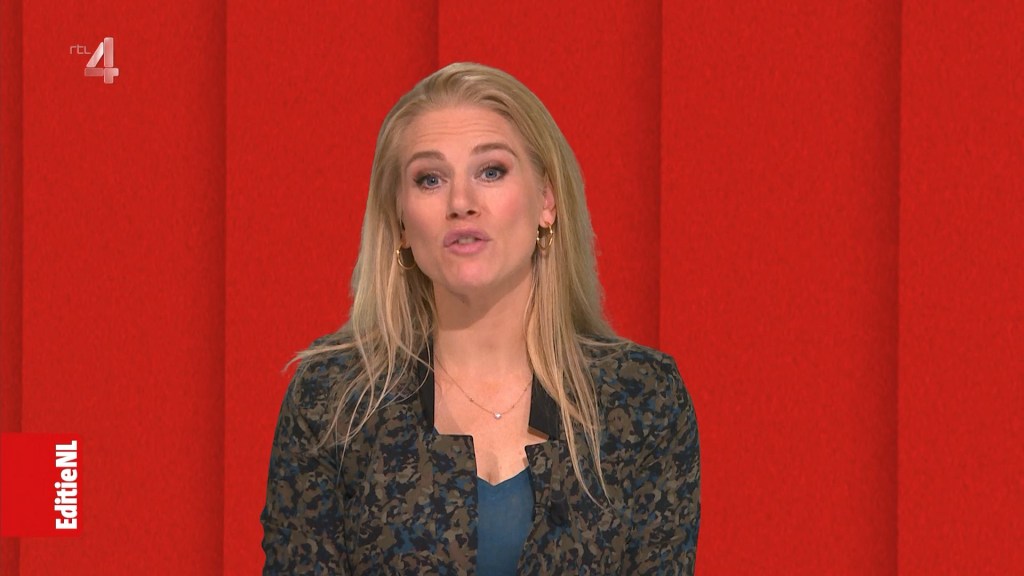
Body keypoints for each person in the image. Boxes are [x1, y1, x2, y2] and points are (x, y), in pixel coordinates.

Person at [261, 62, 700, 575]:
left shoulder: (643, 396)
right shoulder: (334, 401)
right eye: (430, 179)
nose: (461, 203)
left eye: (491, 171)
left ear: (546, 200)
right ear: (400, 221)